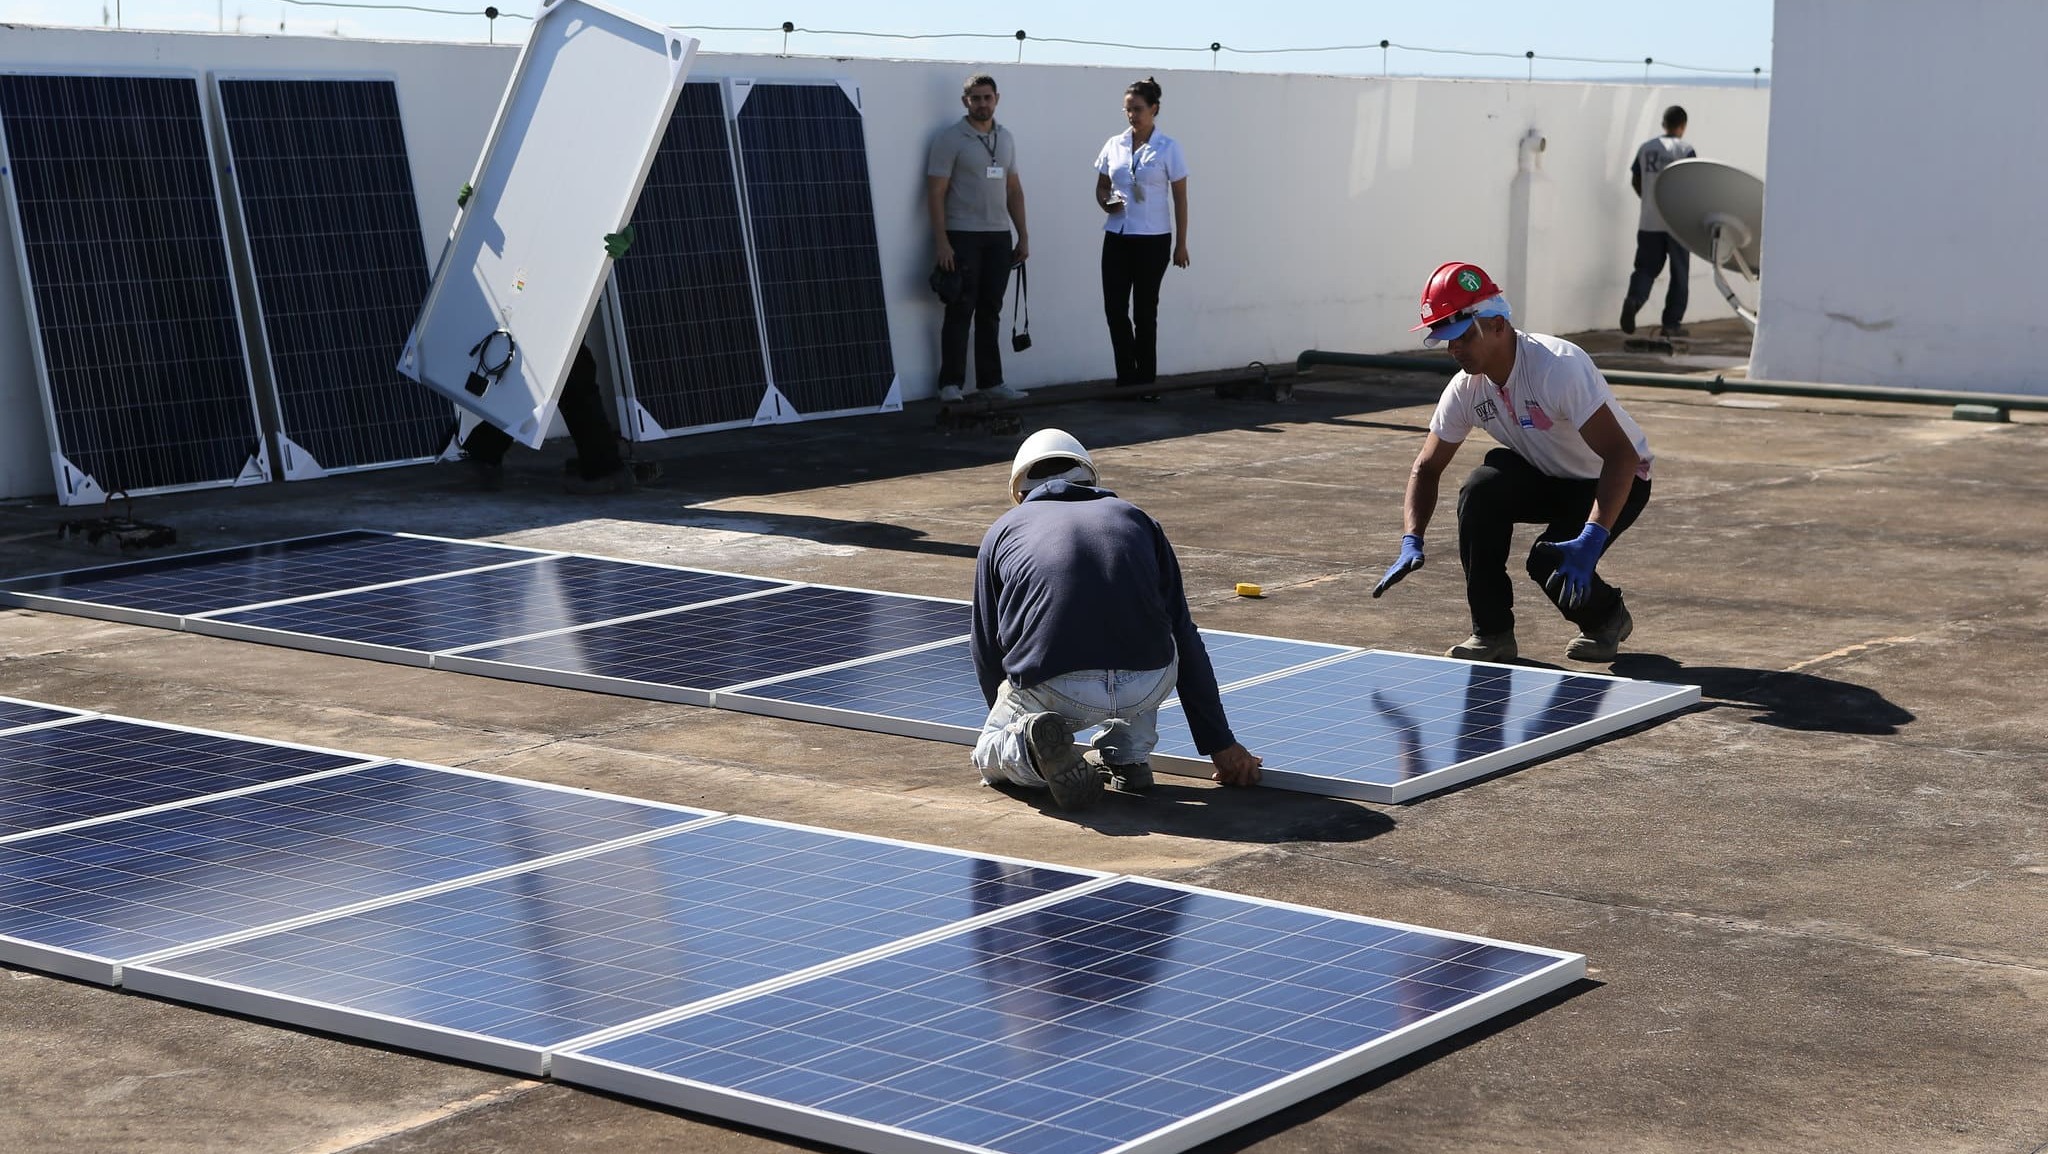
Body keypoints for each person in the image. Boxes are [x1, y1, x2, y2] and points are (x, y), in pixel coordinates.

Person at [1374, 262, 1654, 664]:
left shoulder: (1556, 366)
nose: (1455, 349)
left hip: (1613, 478)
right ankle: (1492, 634)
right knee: (1481, 489)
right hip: (1548, 472)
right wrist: (1411, 539)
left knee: (1548, 560)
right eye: (1446, 340)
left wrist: (1592, 537)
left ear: (1498, 325)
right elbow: (1427, 468)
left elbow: (1621, 455)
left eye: (1462, 336)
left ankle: (1607, 617)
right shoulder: (1466, 388)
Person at [971, 428, 1262, 809]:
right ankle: (1128, 756)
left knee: (987, 755)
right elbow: (1185, 635)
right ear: (1090, 479)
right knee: (1160, 634)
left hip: (1058, 689)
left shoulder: (1003, 530)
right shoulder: (1137, 518)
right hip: (1146, 682)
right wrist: (1220, 744)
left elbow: (986, 643)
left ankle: (1030, 750)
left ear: (1020, 494)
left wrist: (1009, 712)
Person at [925, 73, 1028, 405]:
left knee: (990, 310)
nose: (982, 103)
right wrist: (942, 242)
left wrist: (1022, 236)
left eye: (987, 97)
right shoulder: (950, 139)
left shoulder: (1006, 138)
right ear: (965, 101)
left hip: (998, 236)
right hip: (963, 234)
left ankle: (991, 382)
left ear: (997, 98)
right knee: (960, 308)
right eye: (975, 98)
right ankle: (950, 383)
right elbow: (935, 193)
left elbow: (1013, 189)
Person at [1092, 77, 1188, 391]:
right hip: (1117, 235)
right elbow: (1102, 186)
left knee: (1145, 310)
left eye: (1138, 109)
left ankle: (1146, 382)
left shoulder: (1168, 147)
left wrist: (1181, 243)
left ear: (1154, 109)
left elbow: (1180, 197)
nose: (1132, 115)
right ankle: (1126, 377)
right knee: (1114, 309)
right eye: (1128, 110)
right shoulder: (1114, 144)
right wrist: (1108, 203)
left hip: (1153, 238)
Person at [1620, 105, 1698, 338]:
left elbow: (1636, 178)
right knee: (1679, 274)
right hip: (1677, 224)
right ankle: (1671, 324)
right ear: (1682, 126)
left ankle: (1634, 300)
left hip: (1649, 221)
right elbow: (1692, 184)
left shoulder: (1646, 148)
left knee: (1645, 268)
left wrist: (1648, 201)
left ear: (1663, 124)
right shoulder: (1685, 149)